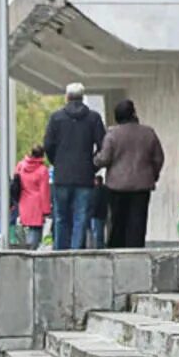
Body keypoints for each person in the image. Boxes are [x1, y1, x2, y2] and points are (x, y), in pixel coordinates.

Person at [44, 83, 108, 250]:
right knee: (81, 217)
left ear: (67, 97)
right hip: (84, 176)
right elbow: (103, 146)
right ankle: (76, 250)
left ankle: (60, 251)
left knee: (61, 217)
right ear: (82, 97)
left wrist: (57, 162)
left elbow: (48, 145)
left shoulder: (56, 118)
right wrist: (92, 166)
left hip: (62, 175)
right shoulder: (93, 118)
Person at [94, 100, 166, 250]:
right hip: (142, 185)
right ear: (133, 114)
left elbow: (105, 158)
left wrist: (95, 159)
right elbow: (158, 157)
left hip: (117, 186)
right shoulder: (148, 132)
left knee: (118, 222)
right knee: (138, 222)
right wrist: (153, 174)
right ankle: (136, 250)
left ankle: (118, 252)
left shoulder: (112, 134)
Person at [14, 145, 52, 247]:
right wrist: (46, 211)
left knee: (26, 229)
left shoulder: (20, 165)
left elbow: (16, 183)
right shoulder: (42, 170)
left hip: (23, 202)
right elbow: (44, 192)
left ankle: (26, 249)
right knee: (35, 230)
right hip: (37, 205)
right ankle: (32, 253)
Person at [88, 174, 110, 249]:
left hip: (96, 214)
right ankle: (101, 246)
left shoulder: (95, 190)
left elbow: (95, 202)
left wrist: (91, 213)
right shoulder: (106, 189)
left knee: (96, 233)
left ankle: (97, 247)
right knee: (101, 232)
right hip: (104, 213)